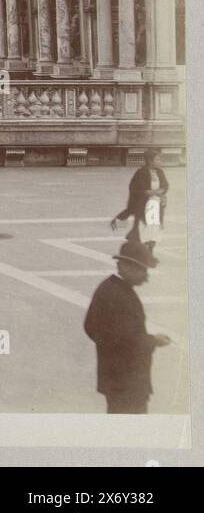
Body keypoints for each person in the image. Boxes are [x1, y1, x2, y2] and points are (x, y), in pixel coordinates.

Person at [83, 237, 171, 413]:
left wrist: (106, 347)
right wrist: (153, 340)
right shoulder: (119, 295)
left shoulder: (109, 288)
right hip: (127, 382)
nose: (146, 276)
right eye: (142, 270)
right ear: (127, 267)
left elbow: (91, 327)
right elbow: (125, 339)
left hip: (116, 380)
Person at [112, 150, 169, 234]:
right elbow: (137, 188)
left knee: (153, 225)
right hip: (143, 202)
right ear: (150, 161)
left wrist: (160, 191)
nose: (160, 161)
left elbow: (165, 185)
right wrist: (150, 192)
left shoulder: (160, 172)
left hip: (156, 201)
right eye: (157, 159)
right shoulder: (141, 172)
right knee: (141, 225)